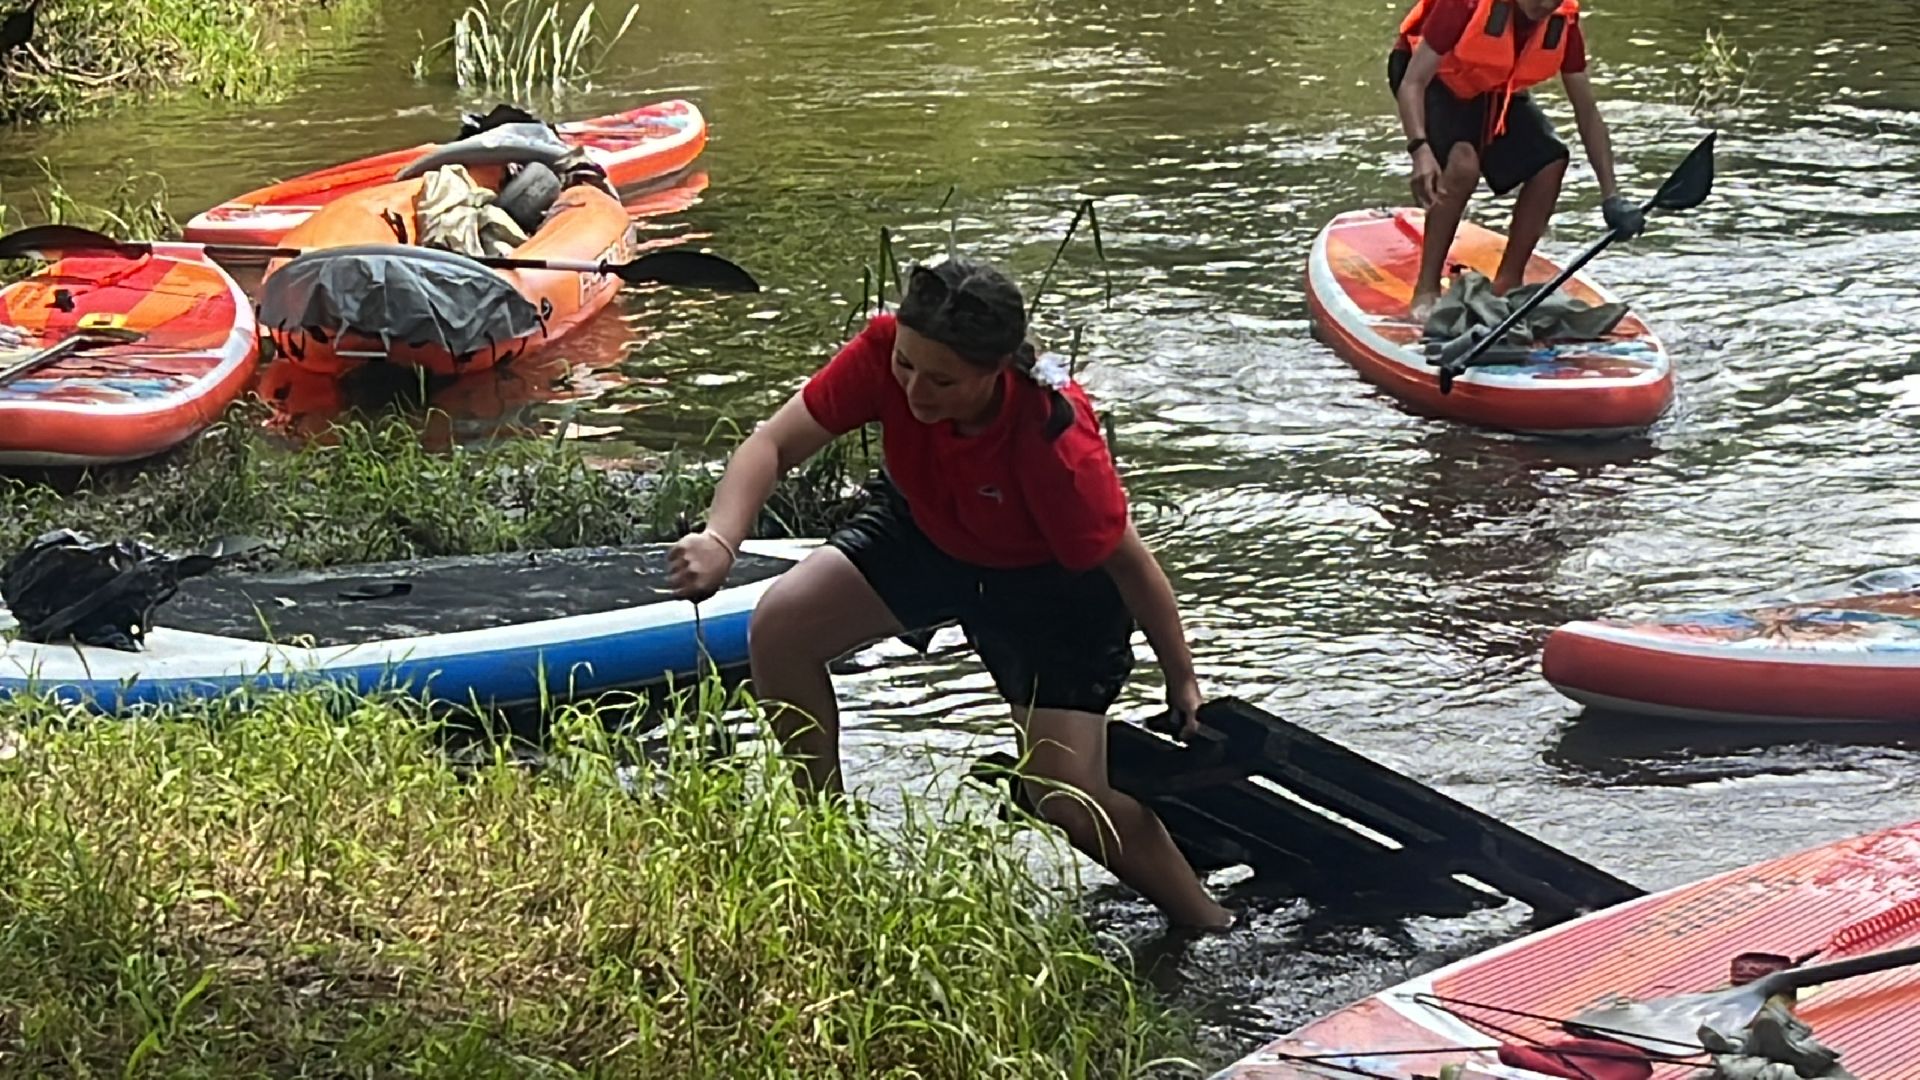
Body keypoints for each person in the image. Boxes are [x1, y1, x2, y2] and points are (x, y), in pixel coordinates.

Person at [665, 255, 1232, 930]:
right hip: (930, 528)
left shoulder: (1053, 441)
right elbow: (774, 443)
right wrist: (720, 539)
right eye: (906, 366)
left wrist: (1183, 684)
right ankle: (826, 853)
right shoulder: (885, 351)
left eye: (941, 380)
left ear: (997, 373)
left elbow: (1132, 564)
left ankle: (1208, 923)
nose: (914, 391)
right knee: (781, 627)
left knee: (1063, 796)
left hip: (1048, 588)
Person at [1389, 0, 1645, 324]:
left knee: (1551, 160)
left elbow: (1588, 112)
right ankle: (1426, 290)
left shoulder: (1562, 21)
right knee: (1463, 164)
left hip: (1490, 87)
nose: (1543, 5)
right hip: (1432, 80)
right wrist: (1419, 150)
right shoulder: (1462, 5)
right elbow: (1412, 83)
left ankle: (1508, 283)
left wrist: (1612, 196)